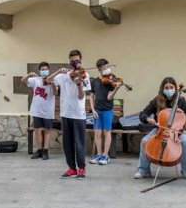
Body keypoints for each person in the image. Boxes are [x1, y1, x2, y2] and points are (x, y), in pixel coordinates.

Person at [134, 77, 186, 180]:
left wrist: (182, 115)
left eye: (171, 87)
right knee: (145, 141)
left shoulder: (181, 100)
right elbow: (143, 114)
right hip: (160, 129)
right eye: (166, 87)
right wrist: (148, 119)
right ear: (162, 89)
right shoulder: (156, 100)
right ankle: (143, 170)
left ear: (176, 88)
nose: (169, 89)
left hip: (177, 131)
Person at [47, 50, 92, 180]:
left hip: (78, 114)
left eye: (77, 60)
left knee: (79, 143)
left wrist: (79, 85)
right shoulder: (64, 75)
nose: (74, 62)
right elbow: (49, 80)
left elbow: (81, 96)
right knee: (67, 143)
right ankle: (71, 168)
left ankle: (81, 168)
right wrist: (58, 71)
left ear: (81, 60)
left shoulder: (85, 75)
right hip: (65, 113)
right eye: (72, 60)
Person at [89, 58, 123, 165]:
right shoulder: (94, 81)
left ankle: (105, 155)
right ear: (99, 69)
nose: (107, 69)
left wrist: (116, 89)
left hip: (107, 110)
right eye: (104, 67)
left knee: (106, 132)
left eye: (107, 66)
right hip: (97, 110)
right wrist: (93, 110)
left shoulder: (110, 81)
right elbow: (91, 96)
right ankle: (99, 155)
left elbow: (109, 97)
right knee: (97, 133)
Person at [23, 62, 56, 160]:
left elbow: (55, 93)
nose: (44, 71)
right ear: (39, 70)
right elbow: (23, 80)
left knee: (47, 131)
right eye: (42, 69)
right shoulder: (35, 80)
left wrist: (53, 84)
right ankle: (39, 150)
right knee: (37, 130)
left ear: (49, 70)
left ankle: (46, 151)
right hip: (36, 110)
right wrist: (29, 74)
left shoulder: (52, 80)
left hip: (48, 110)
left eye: (46, 69)